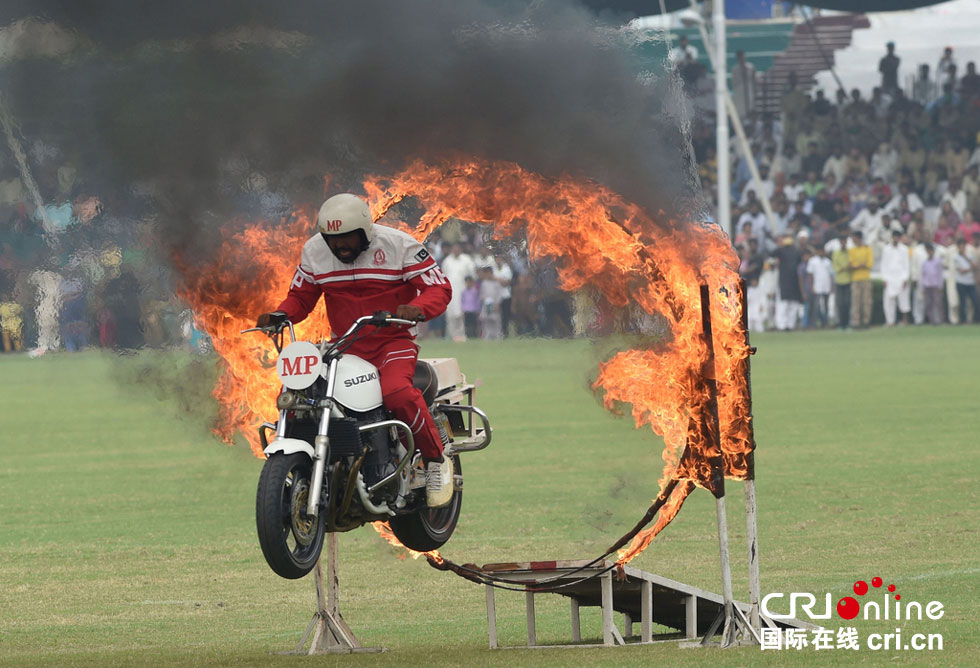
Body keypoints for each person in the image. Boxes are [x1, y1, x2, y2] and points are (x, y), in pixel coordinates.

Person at [254, 193, 455, 507]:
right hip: (345, 346)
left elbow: (439, 288)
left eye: (347, 238)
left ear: (365, 231)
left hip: (393, 342)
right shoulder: (314, 252)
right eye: (333, 240)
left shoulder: (400, 246)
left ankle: (435, 461)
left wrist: (415, 308)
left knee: (397, 394)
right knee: (308, 398)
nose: (340, 246)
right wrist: (281, 315)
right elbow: (301, 298)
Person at [440, 243, 476, 342]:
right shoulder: (447, 261)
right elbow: (443, 277)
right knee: (450, 314)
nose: (456, 250)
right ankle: (452, 335)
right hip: (450, 291)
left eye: (458, 249)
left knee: (461, 313)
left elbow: (472, 275)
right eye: (454, 249)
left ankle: (462, 335)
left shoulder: (466, 260)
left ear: (460, 249)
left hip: (463, 291)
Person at [880, 230, 911, 326]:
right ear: (892, 237)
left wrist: (905, 278)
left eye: (898, 237)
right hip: (889, 278)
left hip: (901, 277)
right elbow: (883, 265)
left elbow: (907, 265)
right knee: (889, 301)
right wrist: (884, 278)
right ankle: (890, 322)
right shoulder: (886, 249)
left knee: (904, 300)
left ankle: (905, 321)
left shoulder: (904, 249)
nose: (896, 238)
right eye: (894, 236)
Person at [848, 231, 873, 329]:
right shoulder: (852, 250)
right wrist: (861, 264)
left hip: (865, 278)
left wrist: (858, 265)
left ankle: (866, 321)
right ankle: (856, 322)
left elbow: (869, 264)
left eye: (854, 238)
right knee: (855, 302)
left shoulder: (868, 249)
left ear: (858, 238)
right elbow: (851, 265)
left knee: (866, 301)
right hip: (855, 279)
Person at [953, 238, 980, 323]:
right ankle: (962, 320)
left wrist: (966, 258)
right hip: (961, 282)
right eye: (960, 246)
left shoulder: (970, 255)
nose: (962, 248)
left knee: (975, 301)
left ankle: (976, 319)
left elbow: (975, 266)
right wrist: (970, 269)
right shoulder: (955, 257)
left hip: (970, 282)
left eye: (963, 246)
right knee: (962, 302)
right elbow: (961, 271)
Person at [919, 243, 945, 324]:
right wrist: (923, 287)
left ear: (933, 251)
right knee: (928, 304)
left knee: (938, 303)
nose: (930, 252)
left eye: (931, 250)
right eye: (928, 251)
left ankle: (940, 320)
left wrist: (940, 286)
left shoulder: (937, 262)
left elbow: (940, 274)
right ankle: (932, 320)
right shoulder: (925, 262)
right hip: (927, 286)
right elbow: (923, 275)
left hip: (936, 285)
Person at [830, 233, 852, 329]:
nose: (843, 243)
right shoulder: (836, 253)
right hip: (839, 281)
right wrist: (845, 268)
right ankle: (840, 324)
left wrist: (845, 268)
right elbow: (836, 267)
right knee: (839, 304)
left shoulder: (850, 253)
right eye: (842, 241)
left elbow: (851, 265)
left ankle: (847, 324)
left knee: (847, 303)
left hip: (848, 280)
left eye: (844, 241)